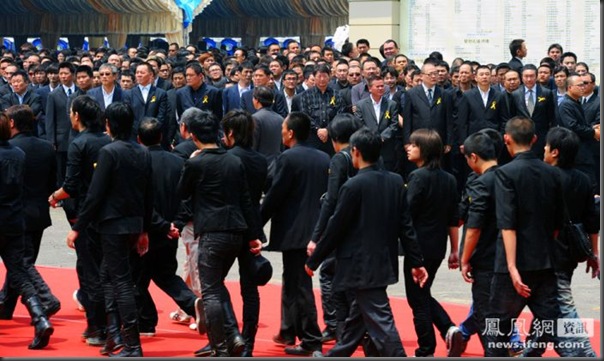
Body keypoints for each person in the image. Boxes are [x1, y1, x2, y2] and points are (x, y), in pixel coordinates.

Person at [306, 128, 429, 357]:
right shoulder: (395, 181)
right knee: (358, 317)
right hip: (383, 260)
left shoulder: (353, 186)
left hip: (360, 264)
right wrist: (416, 261)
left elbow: (336, 227)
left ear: (356, 152)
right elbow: (406, 227)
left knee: (381, 319)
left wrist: (314, 259)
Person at [66, 102, 154, 357]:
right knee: (108, 276)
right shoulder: (142, 152)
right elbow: (149, 195)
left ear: (109, 124)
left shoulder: (110, 152)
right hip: (133, 223)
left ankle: (132, 344)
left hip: (113, 225)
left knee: (121, 281)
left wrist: (78, 227)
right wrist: (144, 229)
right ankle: (115, 335)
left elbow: (95, 194)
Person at [176, 110, 262, 357]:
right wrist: (254, 234)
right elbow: (246, 200)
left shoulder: (196, 162)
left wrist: (191, 161)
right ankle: (232, 337)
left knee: (211, 291)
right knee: (219, 287)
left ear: (192, 135)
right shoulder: (233, 160)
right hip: (237, 230)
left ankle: (220, 346)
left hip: (212, 232)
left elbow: (181, 192)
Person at [484, 116, 566, 357]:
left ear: (506, 139)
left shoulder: (505, 173)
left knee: (497, 328)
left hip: (512, 263)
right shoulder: (552, 173)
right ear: (534, 139)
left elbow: (507, 224)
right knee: (547, 322)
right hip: (544, 260)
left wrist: (511, 267)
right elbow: (558, 223)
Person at [520, 127, 599, 357]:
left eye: (546, 146)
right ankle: (532, 351)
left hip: (546, 252)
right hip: (571, 252)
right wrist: (593, 254)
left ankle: (584, 353)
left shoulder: (543, 176)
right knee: (548, 306)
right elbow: (592, 222)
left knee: (562, 307)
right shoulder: (583, 180)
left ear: (554, 152)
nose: (542, 149)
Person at [260, 111, 328, 356]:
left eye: (282, 130)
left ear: (290, 132)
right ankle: (288, 329)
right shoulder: (324, 158)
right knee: (291, 280)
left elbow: (275, 195)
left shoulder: (287, 158)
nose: (281, 134)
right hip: (316, 228)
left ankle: (311, 339)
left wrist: (256, 223)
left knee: (300, 285)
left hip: (294, 229)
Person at [48, 95, 113, 349]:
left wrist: (54, 196)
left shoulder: (79, 143)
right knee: (101, 270)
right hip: (109, 214)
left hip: (87, 215)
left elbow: (71, 185)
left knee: (90, 273)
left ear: (77, 116)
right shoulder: (107, 140)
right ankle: (102, 324)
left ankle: (98, 327)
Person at [134, 117, 200, 337]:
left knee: (137, 279)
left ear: (138, 139)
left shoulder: (138, 162)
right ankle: (192, 304)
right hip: (170, 231)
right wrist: (177, 225)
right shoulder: (177, 162)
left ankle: (146, 321)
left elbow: (142, 201)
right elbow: (187, 199)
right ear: (161, 137)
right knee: (165, 274)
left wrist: (165, 225)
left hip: (146, 230)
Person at [404, 128, 463, 357]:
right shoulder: (448, 179)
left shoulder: (417, 177)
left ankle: (426, 349)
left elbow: (406, 215)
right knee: (422, 293)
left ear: (425, 150)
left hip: (417, 247)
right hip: (438, 247)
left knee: (417, 299)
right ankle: (449, 329)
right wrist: (454, 250)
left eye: (414, 145)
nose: (409, 148)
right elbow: (453, 219)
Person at [0, 105, 60, 323]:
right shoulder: (46, 148)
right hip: (39, 212)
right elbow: (53, 182)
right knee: (18, 262)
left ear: (12, 123)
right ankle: (5, 305)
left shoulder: (10, 149)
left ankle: (46, 299)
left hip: (15, 213)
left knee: (21, 263)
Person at [307, 113, 363, 345]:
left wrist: (317, 235)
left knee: (329, 273)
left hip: (339, 225)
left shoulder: (340, 159)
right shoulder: (364, 154)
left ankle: (334, 324)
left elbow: (331, 199)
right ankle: (354, 324)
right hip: (360, 224)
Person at [220, 109, 268, 356]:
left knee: (214, 284)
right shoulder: (260, 160)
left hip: (227, 227)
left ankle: (229, 335)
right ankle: (247, 342)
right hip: (252, 228)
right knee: (250, 289)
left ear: (229, 133)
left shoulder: (226, 158)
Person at [354, 74, 401, 172]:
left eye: (382, 86)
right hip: (368, 147)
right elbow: (359, 125)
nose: (380, 88)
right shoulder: (361, 105)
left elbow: (394, 124)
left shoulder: (391, 104)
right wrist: (373, 138)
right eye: (377, 86)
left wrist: (382, 137)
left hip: (387, 148)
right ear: (370, 88)